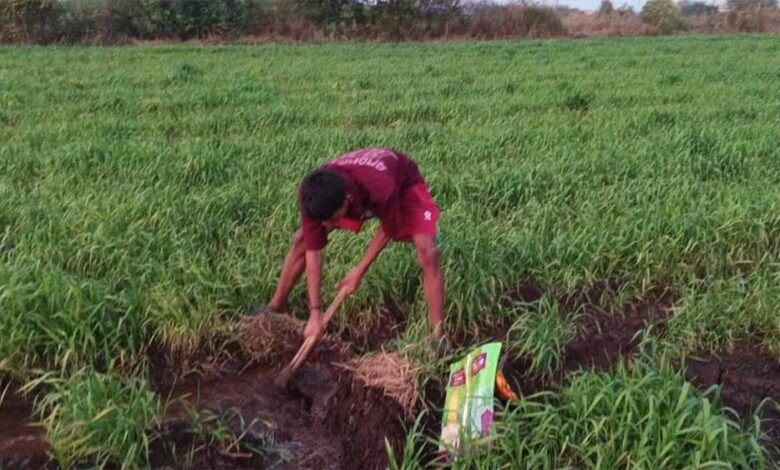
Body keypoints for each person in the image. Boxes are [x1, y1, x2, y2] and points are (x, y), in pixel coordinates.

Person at [252, 148, 447, 348]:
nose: (329, 223)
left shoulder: (381, 186)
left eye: (334, 218)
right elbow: (313, 250)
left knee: (428, 252)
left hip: (403, 184)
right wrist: (315, 312)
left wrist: (358, 271)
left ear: (347, 200)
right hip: (354, 187)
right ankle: (275, 306)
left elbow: (387, 229)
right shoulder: (312, 193)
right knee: (302, 239)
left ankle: (438, 338)